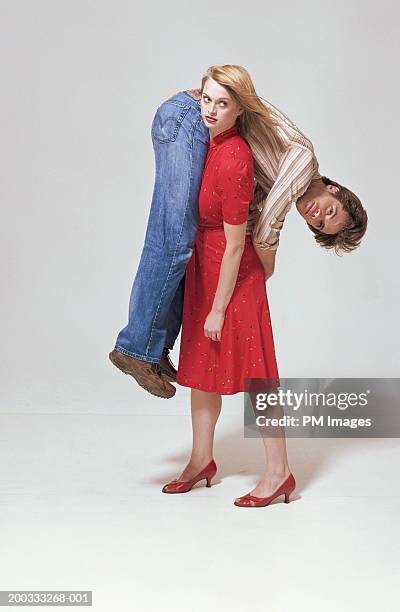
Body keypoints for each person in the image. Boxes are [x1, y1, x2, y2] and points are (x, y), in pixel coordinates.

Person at [109, 64, 367, 401]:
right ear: (334, 189)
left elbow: (248, 214)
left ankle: (153, 350)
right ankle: (135, 348)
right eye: (328, 211)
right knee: (172, 240)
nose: (317, 215)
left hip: (199, 124)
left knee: (189, 248)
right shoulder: (303, 160)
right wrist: (267, 264)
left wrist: (243, 264)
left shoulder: (272, 181)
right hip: (188, 115)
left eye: (319, 224)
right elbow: (269, 219)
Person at [161, 66, 295, 508]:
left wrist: (217, 309)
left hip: (233, 275)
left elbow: (238, 245)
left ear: (240, 108)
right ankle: (201, 460)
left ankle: (278, 473)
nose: (212, 110)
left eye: (223, 103)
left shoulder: (235, 157)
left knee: (257, 376)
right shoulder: (209, 142)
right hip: (207, 267)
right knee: (202, 368)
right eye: (206, 99)